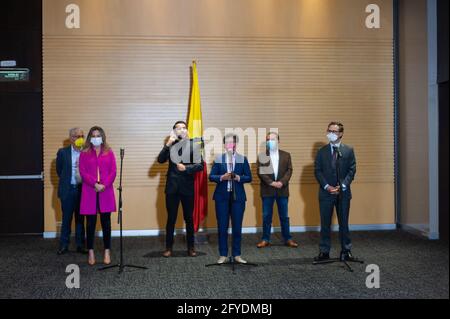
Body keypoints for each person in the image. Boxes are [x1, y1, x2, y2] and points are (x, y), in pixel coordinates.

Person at [157, 121, 204, 257]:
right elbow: (160, 160)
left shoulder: (193, 145)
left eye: (184, 128)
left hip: (187, 187)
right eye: (179, 128)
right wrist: (168, 144)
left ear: (187, 131)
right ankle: (168, 248)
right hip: (172, 188)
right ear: (174, 131)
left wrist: (187, 168)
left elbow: (200, 165)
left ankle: (191, 247)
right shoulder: (170, 145)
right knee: (171, 218)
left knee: (188, 218)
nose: (182, 130)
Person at [314, 122, 356, 262]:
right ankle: (324, 251)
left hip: (343, 194)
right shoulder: (322, 151)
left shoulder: (348, 151)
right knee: (325, 223)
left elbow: (352, 170)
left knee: (344, 223)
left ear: (341, 133)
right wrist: (327, 186)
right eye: (329, 130)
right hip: (326, 194)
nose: (331, 133)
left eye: (334, 131)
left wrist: (342, 186)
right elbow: (318, 171)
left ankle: (346, 251)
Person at [209, 133, 252, 264]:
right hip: (221, 197)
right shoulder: (218, 159)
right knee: (222, 227)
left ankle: (237, 254)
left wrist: (238, 177)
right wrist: (222, 177)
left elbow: (249, 177)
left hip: (237, 198)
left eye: (231, 142)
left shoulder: (242, 159)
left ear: (235, 144)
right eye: (226, 142)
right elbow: (211, 176)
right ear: (224, 145)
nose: (229, 145)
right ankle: (223, 255)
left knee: (237, 227)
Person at [79, 126, 116, 266]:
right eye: (93, 135)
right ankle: (91, 252)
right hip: (90, 190)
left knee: (106, 223)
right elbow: (83, 172)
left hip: (105, 191)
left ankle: (107, 251)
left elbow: (113, 171)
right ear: (90, 138)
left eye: (98, 135)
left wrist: (104, 185)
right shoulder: (84, 153)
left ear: (102, 137)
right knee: (90, 224)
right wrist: (95, 184)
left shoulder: (109, 152)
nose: (96, 138)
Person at [256, 132, 298, 248]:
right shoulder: (262, 156)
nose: (270, 142)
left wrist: (281, 182)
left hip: (282, 190)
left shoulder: (286, 155)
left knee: (284, 216)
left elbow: (289, 170)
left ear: (278, 141)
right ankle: (265, 239)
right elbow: (261, 172)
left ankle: (288, 239)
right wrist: (272, 182)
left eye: (273, 139)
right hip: (267, 190)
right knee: (266, 216)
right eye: (268, 140)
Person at [56, 128, 87, 255]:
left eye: (81, 136)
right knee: (66, 219)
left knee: (80, 219)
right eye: (76, 136)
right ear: (70, 138)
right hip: (68, 191)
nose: (79, 138)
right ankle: (64, 245)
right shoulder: (62, 152)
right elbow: (60, 171)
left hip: (82, 190)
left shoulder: (86, 152)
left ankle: (80, 245)